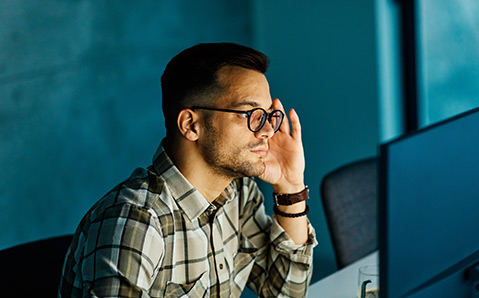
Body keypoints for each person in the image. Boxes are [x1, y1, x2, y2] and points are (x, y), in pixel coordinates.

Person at [59, 43, 317, 298]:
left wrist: (290, 187)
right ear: (191, 124)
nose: (267, 130)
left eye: (267, 115)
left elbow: (285, 292)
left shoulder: (239, 191)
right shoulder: (134, 221)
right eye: (249, 113)